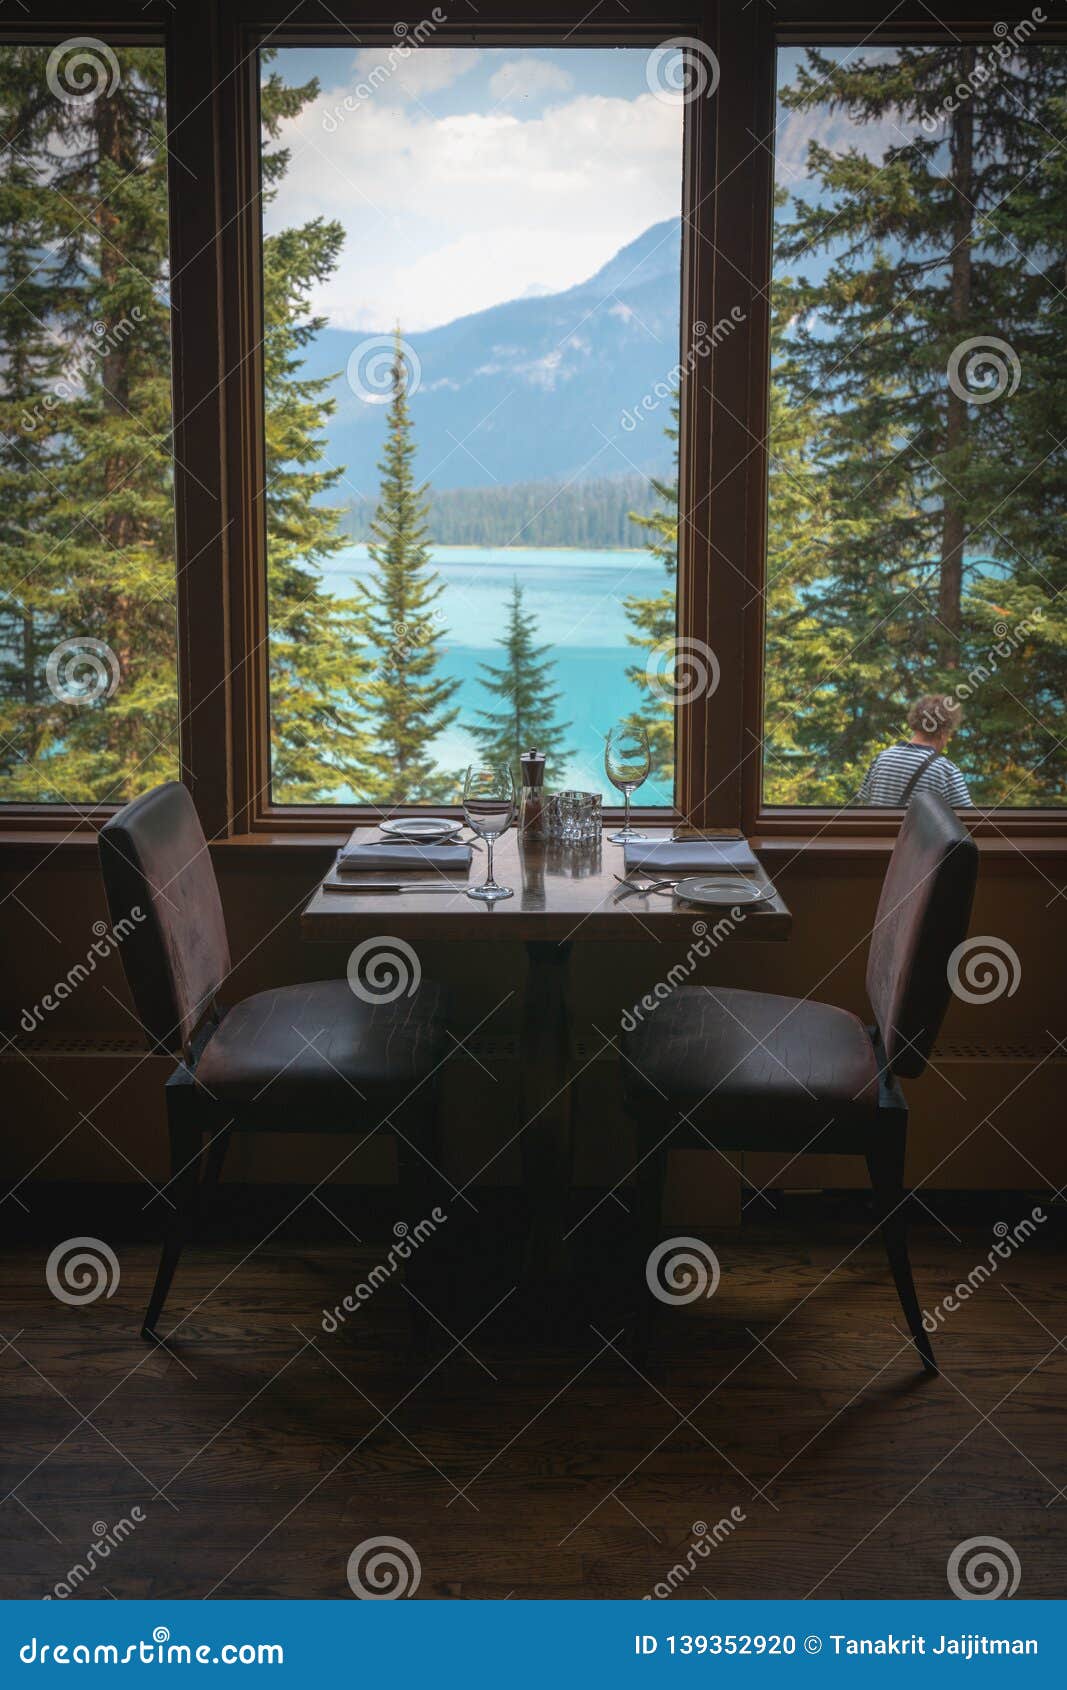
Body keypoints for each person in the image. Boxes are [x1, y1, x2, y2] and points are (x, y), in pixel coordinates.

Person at [855, 694, 973, 808]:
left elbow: (864, 800)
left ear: (915, 723)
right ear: (943, 733)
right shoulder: (946, 771)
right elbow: (968, 819)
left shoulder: (881, 759)